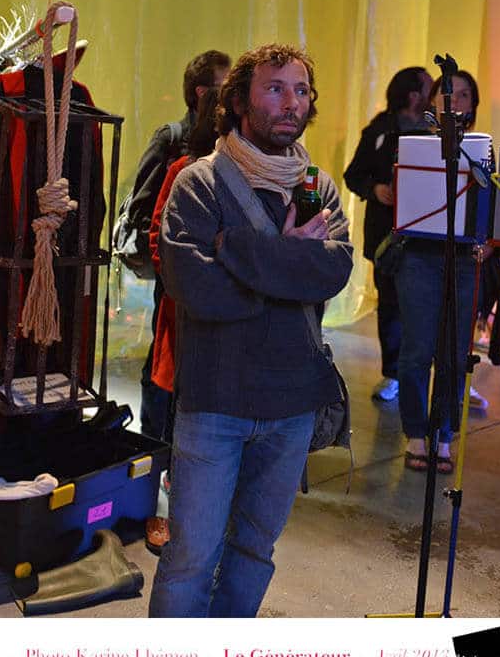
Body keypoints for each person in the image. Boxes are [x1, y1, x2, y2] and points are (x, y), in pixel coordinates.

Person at [150, 43, 352, 618]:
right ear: (239, 101)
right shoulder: (199, 184)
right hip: (217, 402)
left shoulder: (317, 188)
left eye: (301, 90)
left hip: (292, 406)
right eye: (275, 88)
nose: (292, 102)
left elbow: (333, 271)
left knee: (254, 552)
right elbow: (197, 289)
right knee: (190, 557)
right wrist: (289, 265)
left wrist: (238, 250)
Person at [121, 51, 231, 440]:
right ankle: (154, 440)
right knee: (164, 357)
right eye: (224, 87)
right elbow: (146, 211)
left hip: (205, 282)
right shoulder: (173, 142)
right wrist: (168, 264)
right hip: (175, 279)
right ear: (203, 93)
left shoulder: (237, 158)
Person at [140, 86, 221, 554]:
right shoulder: (184, 169)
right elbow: (157, 236)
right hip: (185, 316)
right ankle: (160, 509)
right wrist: (184, 285)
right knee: (172, 409)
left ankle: (195, 514)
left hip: (229, 327)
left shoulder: (258, 173)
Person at [395, 70, 485, 474]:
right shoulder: (414, 147)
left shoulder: (482, 153)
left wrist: (488, 242)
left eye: (465, 95)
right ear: (433, 101)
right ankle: (416, 432)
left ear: (474, 105)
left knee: (454, 353)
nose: (456, 101)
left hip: (464, 261)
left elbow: (491, 214)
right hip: (419, 256)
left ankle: (444, 435)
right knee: (416, 350)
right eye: (449, 94)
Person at [343, 67, 432, 403]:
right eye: (428, 86)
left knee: (424, 307)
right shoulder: (380, 130)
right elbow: (353, 175)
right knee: (391, 305)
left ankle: (428, 373)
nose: (435, 92)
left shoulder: (436, 130)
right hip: (386, 237)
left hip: (426, 234)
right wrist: (375, 189)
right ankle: (392, 373)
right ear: (413, 95)